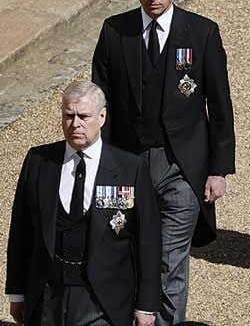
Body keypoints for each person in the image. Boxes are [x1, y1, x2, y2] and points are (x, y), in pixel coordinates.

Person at [92, 0, 236, 325]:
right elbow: (99, 106)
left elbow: (220, 108)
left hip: (182, 168)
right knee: (125, 253)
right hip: (127, 166)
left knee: (170, 262)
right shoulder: (113, 32)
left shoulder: (202, 34)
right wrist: (99, 164)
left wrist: (219, 170)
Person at [5, 80, 161, 326]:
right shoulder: (39, 161)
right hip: (47, 295)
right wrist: (16, 292)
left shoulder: (130, 168)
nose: (75, 123)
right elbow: (21, 231)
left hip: (105, 301)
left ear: (101, 117)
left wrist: (147, 304)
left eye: (83, 116)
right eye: (69, 115)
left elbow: (148, 239)